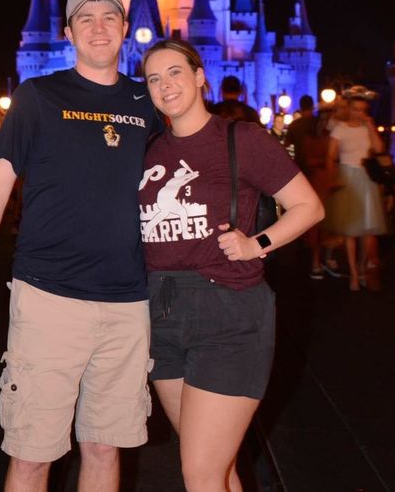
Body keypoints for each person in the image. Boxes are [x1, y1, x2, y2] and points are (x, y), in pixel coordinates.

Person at [0, 0, 163, 492]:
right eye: (85, 19)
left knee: (104, 447)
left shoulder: (147, 103)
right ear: (68, 32)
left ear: (124, 28)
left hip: (127, 302)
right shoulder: (38, 96)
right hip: (49, 297)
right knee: (32, 453)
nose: (99, 28)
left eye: (109, 17)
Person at [139, 39, 324, 491]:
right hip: (161, 315)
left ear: (200, 76)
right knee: (216, 468)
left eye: (175, 72)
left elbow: (309, 206)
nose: (166, 85)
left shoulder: (241, 139)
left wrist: (257, 244)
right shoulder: (148, 149)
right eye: (154, 79)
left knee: (200, 472)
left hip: (228, 313)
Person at [324, 85, 387, 291]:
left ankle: (361, 268)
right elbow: (330, 156)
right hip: (347, 177)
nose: (358, 113)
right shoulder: (339, 128)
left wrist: (370, 126)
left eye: (362, 110)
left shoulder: (366, 127)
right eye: (355, 109)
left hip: (366, 178)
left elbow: (379, 149)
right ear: (348, 108)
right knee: (350, 230)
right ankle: (353, 273)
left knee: (367, 229)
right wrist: (332, 178)